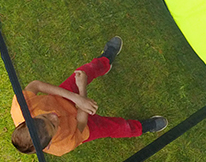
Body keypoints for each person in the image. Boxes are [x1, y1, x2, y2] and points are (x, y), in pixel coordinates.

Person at [10, 37, 167, 156]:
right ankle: (144, 127)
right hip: (84, 125)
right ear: (49, 144)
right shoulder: (62, 146)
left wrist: (75, 97)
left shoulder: (21, 106)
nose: (53, 116)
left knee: (85, 71)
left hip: (63, 97)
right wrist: (82, 91)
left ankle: (105, 61)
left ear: (28, 120)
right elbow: (81, 123)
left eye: (44, 117)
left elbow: (36, 85)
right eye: (53, 125)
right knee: (116, 128)